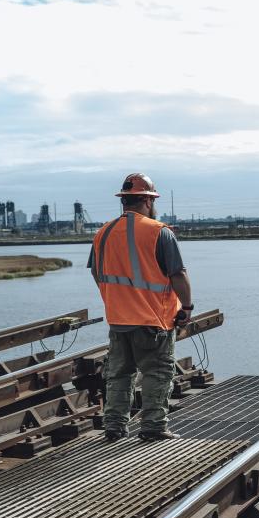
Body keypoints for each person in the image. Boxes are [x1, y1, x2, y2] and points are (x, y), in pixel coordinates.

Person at [87, 173, 193, 441]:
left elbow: (97, 273)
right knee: (157, 372)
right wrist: (187, 307)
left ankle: (113, 427)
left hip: (119, 319)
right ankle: (153, 428)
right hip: (153, 319)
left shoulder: (103, 232)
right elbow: (177, 274)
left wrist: (115, 299)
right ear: (147, 200)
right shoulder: (159, 232)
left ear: (124, 201)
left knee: (119, 374)